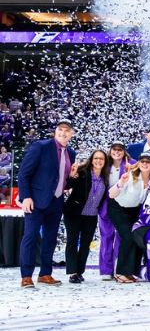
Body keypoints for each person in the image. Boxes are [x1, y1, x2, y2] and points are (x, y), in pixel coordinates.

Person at [17, 118, 77, 288]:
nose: (63, 133)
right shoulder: (40, 146)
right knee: (30, 236)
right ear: (55, 132)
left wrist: (72, 177)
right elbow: (23, 174)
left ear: (71, 134)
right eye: (60, 129)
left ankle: (45, 274)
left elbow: (64, 182)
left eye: (67, 130)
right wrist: (26, 196)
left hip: (56, 202)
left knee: (50, 239)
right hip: (35, 201)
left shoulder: (71, 153)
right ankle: (26, 276)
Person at [107, 150, 150, 283]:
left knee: (137, 237)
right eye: (142, 161)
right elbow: (111, 194)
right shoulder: (130, 176)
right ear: (138, 163)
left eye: (148, 161)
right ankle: (120, 272)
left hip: (135, 210)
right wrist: (120, 183)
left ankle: (131, 272)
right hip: (118, 208)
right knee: (128, 236)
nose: (145, 164)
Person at [63, 149, 111, 283]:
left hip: (91, 215)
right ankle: (72, 272)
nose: (98, 161)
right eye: (96, 158)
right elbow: (67, 186)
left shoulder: (105, 177)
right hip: (74, 212)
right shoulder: (82, 172)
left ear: (105, 161)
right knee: (72, 241)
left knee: (85, 244)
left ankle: (79, 271)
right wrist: (72, 176)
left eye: (101, 158)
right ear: (91, 160)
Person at [98, 141, 135, 280]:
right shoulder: (105, 163)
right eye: (114, 149)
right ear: (110, 150)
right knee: (106, 236)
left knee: (122, 236)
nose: (117, 152)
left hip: (124, 203)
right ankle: (106, 270)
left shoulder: (132, 163)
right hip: (106, 203)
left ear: (124, 151)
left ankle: (120, 268)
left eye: (120, 149)